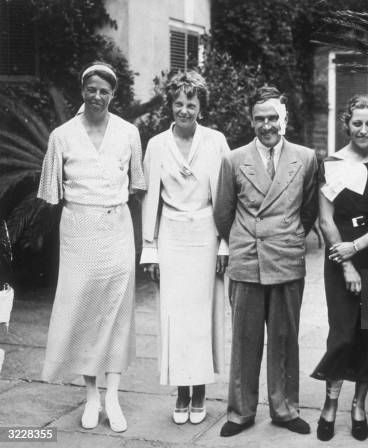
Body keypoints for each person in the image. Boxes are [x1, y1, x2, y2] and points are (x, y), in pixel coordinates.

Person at [38, 61, 146, 433]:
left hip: (117, 228)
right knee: (84, 311)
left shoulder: (129, 133)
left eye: (105, 91)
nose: (97, 96)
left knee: (116, 312)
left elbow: (137, 185)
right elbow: (52, 193)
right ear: (82, 91)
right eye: (92, 89)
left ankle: (112, 396)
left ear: (113, 95)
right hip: (78, 231)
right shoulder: (61, 136)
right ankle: (91, 397)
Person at [213, 86, 318, 437]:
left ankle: (285, 409)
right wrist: (243, 240)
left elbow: (308, 209)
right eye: (260, 118)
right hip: (248, 257)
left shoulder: (305, 158)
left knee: (285, 337)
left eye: (273, 117)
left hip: (287, 255)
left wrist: (287, 237)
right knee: (245, 339)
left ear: (284, 119)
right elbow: (223, 212)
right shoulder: (234, 159)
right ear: (251, 121)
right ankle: (240, 412)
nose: (267, 125)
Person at [140, 71, 229, 425]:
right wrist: (150, 249)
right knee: (175, 317)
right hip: (172, 238)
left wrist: (225, 244)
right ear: (170, 106)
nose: (185, 110)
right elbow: (150, 201)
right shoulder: (157, 145)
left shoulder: (216, 142)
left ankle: (201, 392)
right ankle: (181, 392)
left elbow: (224, 197)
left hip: (208, 236)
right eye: (178, 103)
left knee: (204, 315)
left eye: (191, 103)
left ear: (201, 107)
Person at [311, 94, 368, 441]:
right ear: (346, 124)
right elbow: (325, 219)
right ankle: (330, 403)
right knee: (343, 334)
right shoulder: (330, 164)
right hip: (340, 257)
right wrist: (347, 263)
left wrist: (359, 246)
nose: (363, 130)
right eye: (357, 123)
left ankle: (358, 405)